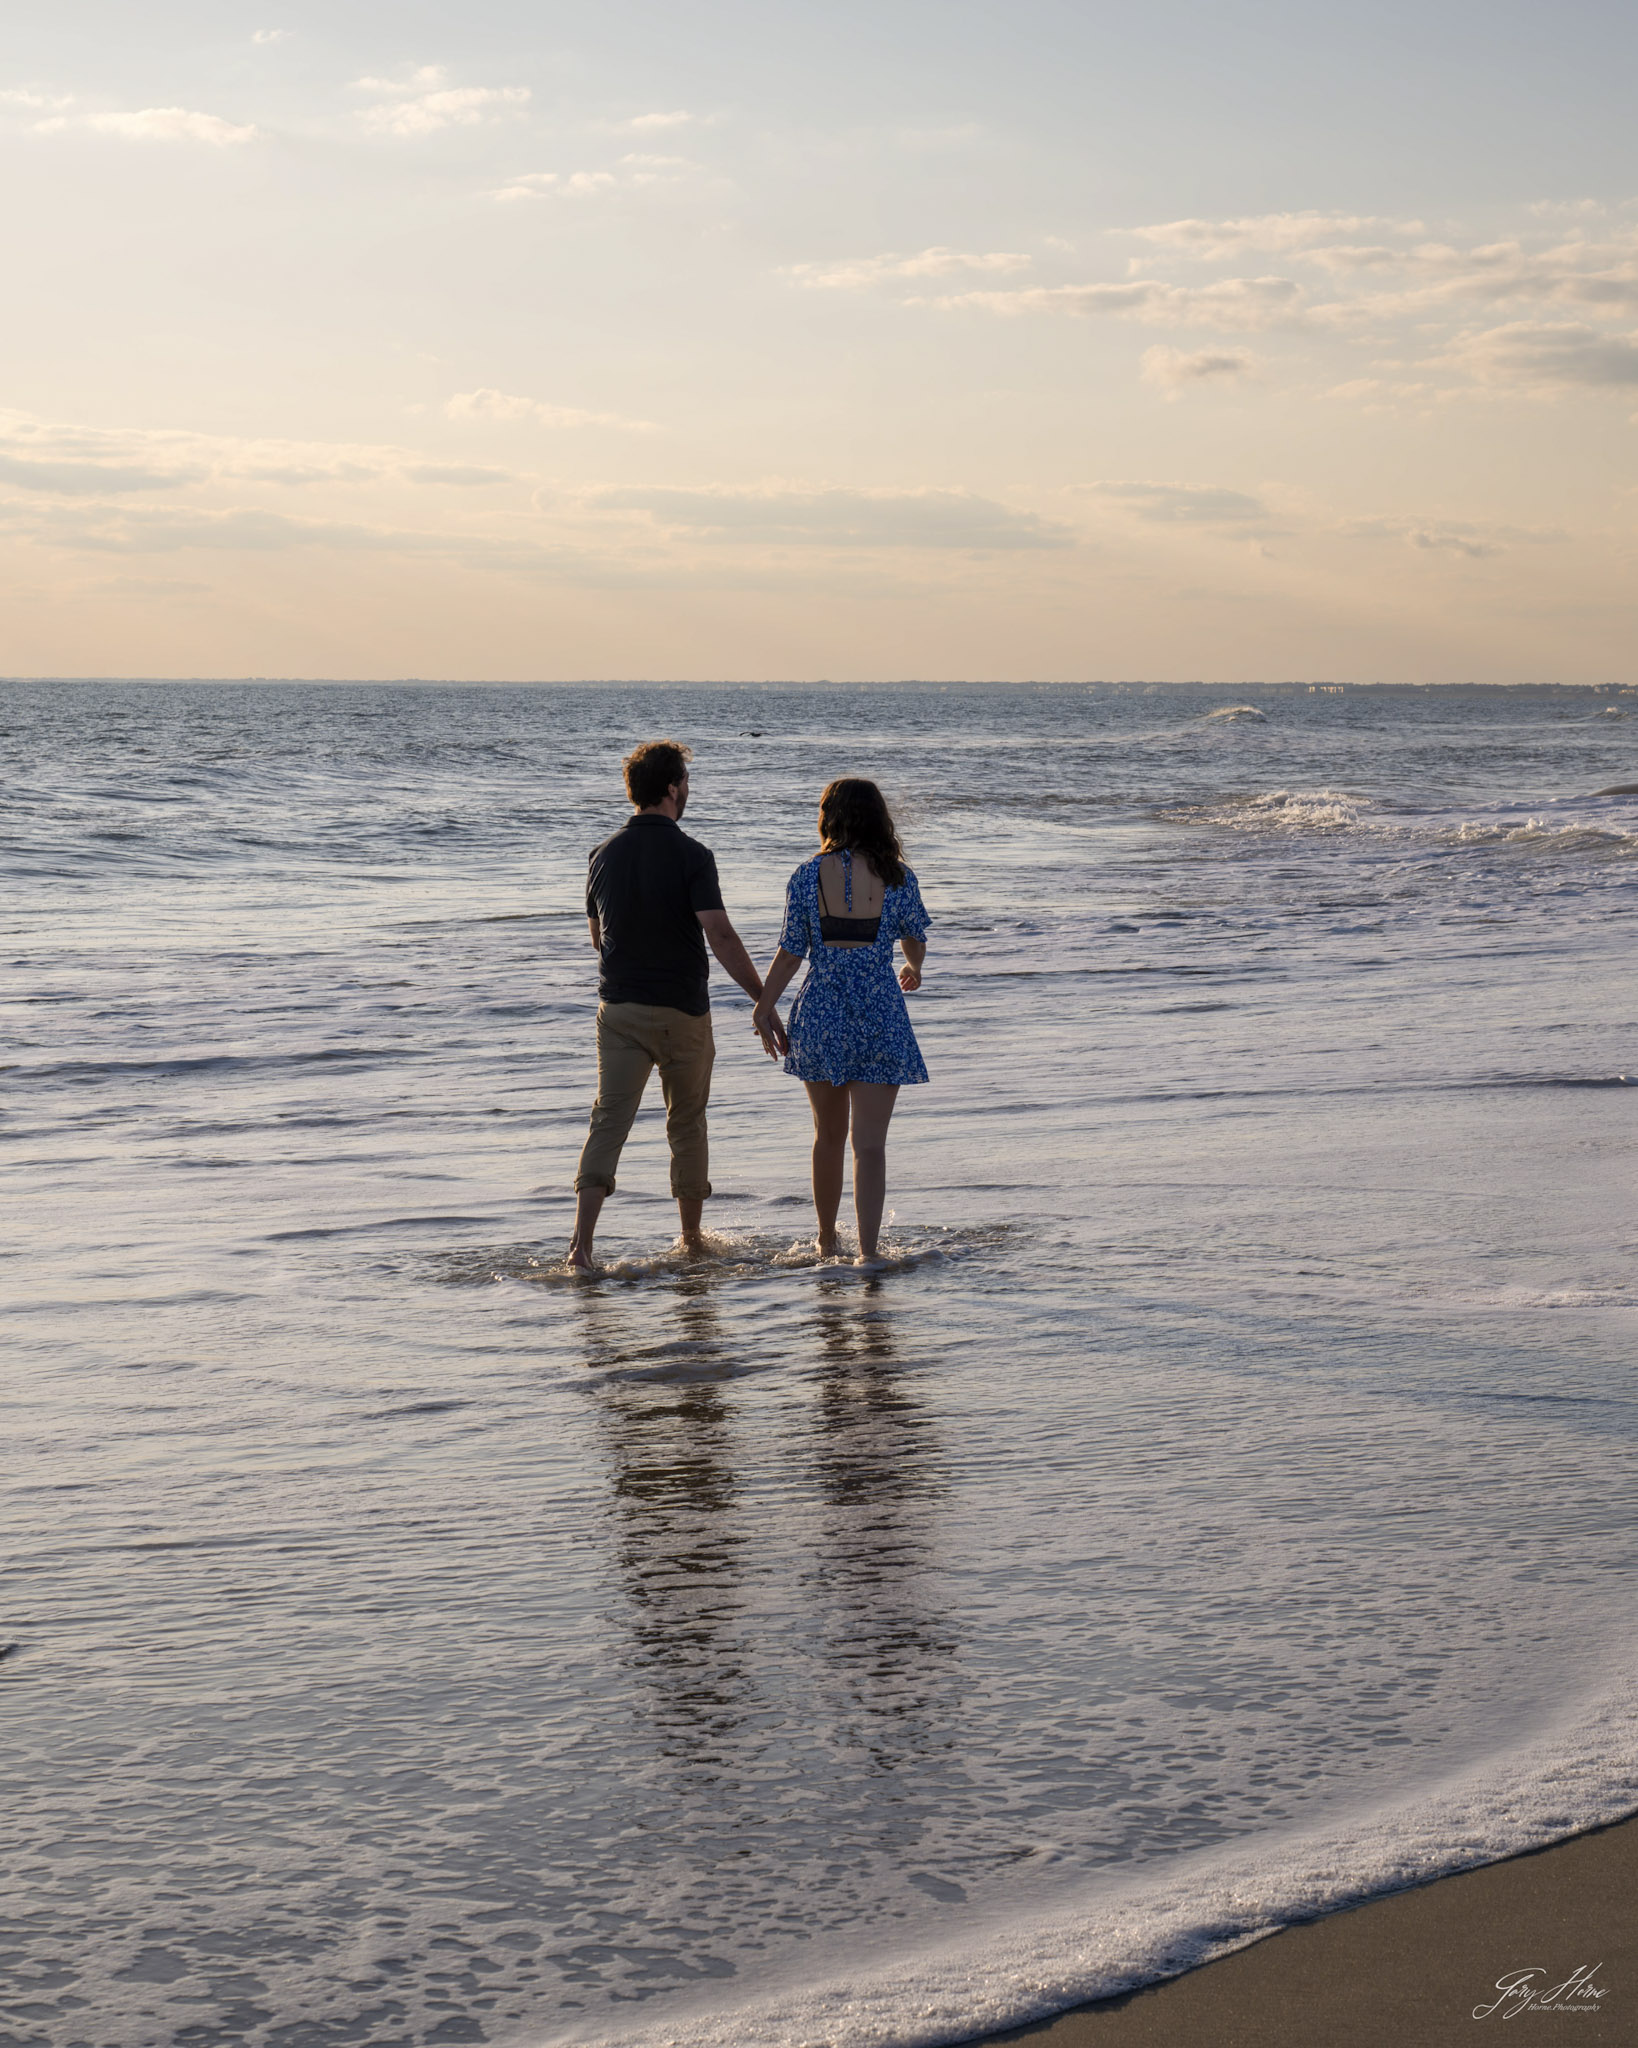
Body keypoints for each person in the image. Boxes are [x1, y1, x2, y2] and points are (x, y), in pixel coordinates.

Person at [569, 739, 776, 1270]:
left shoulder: (601, 854)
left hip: (619, 1011)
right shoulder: (693, 855)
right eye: (685, 780)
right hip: (684, 1011)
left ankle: (581, 1247)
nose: (688, 789)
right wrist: (763, 998)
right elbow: (721, 935)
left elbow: (597, 936)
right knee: (687, 1124)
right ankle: (690, 1242)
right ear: (670, 787)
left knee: (608, 1122)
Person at [753, 778, 929, 1265]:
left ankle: (826, 1240)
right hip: (879, 1013)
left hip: (822, 1011)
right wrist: (912, 966)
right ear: (878, 818)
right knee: (869, 1145)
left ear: (828, 817)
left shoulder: (806, 876)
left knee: (826, 1137)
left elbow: (791, 954)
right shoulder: (899, 877)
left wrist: (764, 1006)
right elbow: (915, 938)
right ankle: (868, 1254)